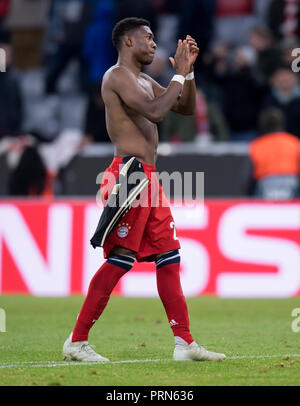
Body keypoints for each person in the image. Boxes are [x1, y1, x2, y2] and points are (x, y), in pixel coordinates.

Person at [62, 17, 226, 363]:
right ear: (127, 42)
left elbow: (180, 106)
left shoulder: (143, 79)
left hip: (148, 180)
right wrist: (177, 74)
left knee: (170, 258)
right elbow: (156, 111)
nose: (154, 43)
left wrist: (189, 73)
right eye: (147, 38)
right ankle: (76, 343)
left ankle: (184, 343)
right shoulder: (116, 76)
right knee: (120, 261)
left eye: (154, 38)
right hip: (129, 176)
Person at [247, 108, 300, 199]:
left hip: (265, 185)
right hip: (292, 185)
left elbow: (248, 178)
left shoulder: (256, 145)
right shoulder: (295, 142)